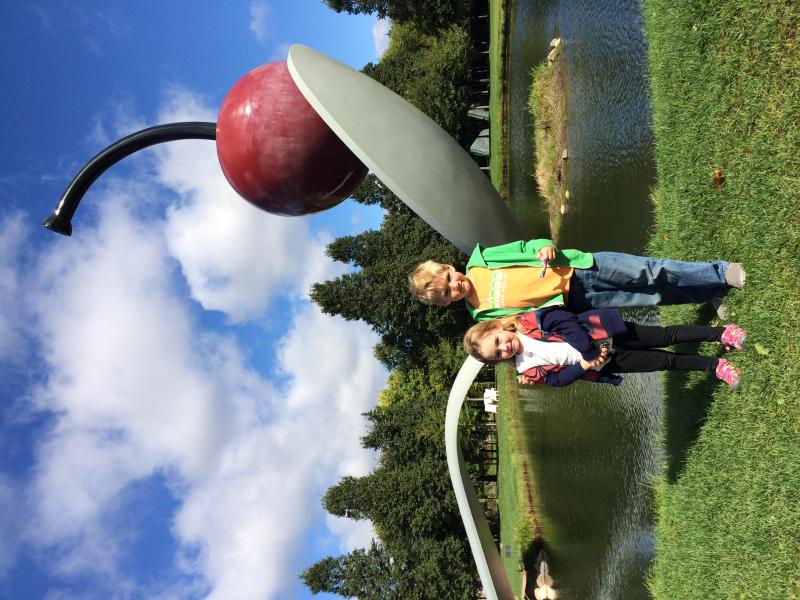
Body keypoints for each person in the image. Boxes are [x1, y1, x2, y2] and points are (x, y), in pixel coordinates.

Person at [409, 238, 745, 321]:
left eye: (449, 279)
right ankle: (706, 292)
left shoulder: (483, 259)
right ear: (446, 303)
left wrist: (544, 248)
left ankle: (719, 272)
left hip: (581, 268)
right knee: (650, 296)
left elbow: (527, 247)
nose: (455, 286)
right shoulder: (481, 315)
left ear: (449, 266)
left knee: (649, 271)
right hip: (579, 301)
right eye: (448, 293)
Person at [462, 307, 745, 389]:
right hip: (608, 361)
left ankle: (722, 333)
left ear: (496, 328)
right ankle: (715, 366)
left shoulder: (529, 321)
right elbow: (558, 380)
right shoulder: (525, 369)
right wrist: (584, 365)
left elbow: (565, 321)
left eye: (497, 341)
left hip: (609, 333)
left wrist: (588, 351)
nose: (504, 348)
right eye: (498, 354)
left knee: (665, 336)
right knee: (664, 362)